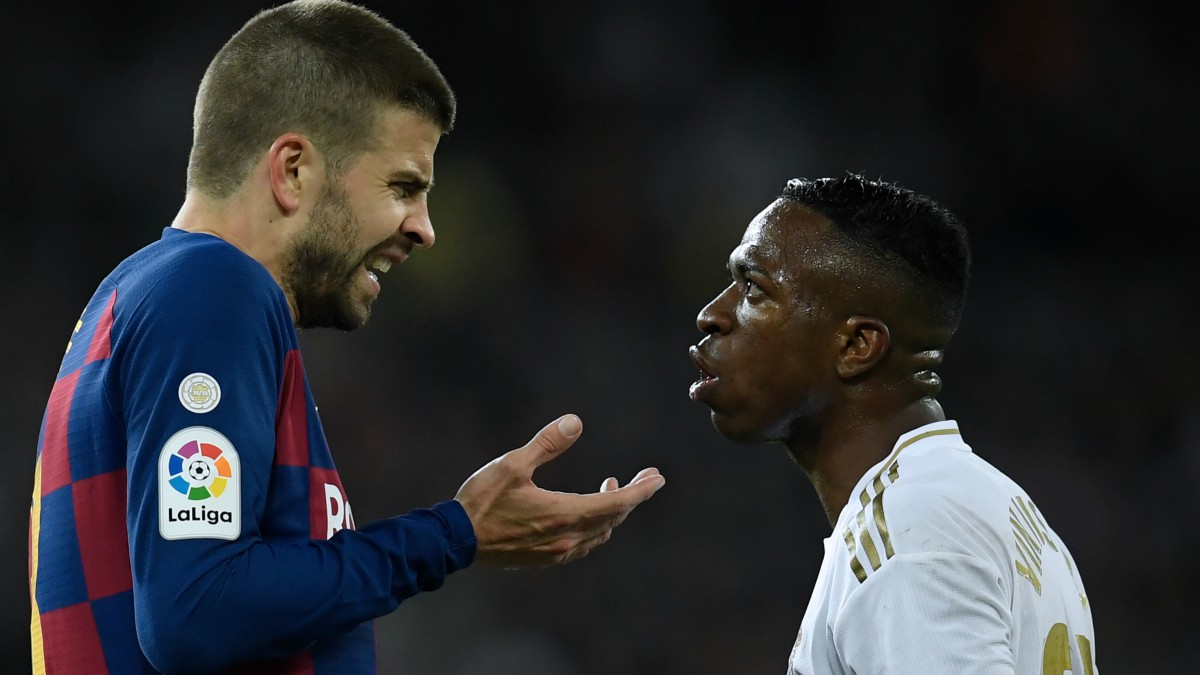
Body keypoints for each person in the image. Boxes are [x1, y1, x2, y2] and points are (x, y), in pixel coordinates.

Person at [27, 2, 666, 673]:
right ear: (294, 170)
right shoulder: (210, 288)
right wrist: (454, 532)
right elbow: (195, 607)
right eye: (402, 186)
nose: (424, 227)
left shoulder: (144, 293)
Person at [688, 174, 1097, 673]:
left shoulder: (908, 533)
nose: (713, 314)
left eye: (754, 288)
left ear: (856, 346)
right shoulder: (994, 505)